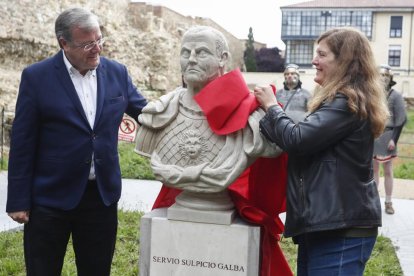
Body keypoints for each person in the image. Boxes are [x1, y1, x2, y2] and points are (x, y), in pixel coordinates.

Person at [135, 25, 293, 275]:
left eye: (202, 52)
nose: (192, 59)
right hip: (180, 210)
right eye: (185, 52)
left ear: (223, 59)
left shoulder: (251, 119)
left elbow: (275, 149)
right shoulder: (157, 115)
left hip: (222, 211)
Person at [6, 7, 147, 275]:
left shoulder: (118, 72)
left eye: (99, 40)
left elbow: (148, 112)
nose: (97, 49)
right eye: (87, 44)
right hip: (49, 198)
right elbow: (23, 143)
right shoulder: (36, 77)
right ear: (64, 43)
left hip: (100, 198)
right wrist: (17, 200)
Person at [254, 27, 389, 276]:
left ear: (344, 61)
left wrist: (272, 107)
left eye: (322, 54)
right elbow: (296, 141)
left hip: (341, 231)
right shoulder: (340, 101)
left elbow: (297, 139)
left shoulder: (347, 102)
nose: (314, 61)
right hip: (326, 226)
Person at [373, 64, 407, 215]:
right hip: (374, 135)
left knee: (387, 170)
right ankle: (373, 201)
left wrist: (394, 139)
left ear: (390, 78)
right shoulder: (373, 94)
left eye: (386, 76)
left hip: (388, 136)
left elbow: (401, 119)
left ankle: (388, 202)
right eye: (381, 75)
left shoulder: (395, 96)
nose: (383, 78)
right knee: (372, 170)